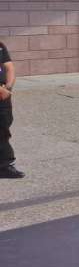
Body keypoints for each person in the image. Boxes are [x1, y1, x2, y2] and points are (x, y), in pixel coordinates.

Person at [0, 41, 23, 178]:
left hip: (3, 95)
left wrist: (8, 88)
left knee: (3, 129)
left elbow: (9, 67)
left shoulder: (0, 46)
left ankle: (4, 166)